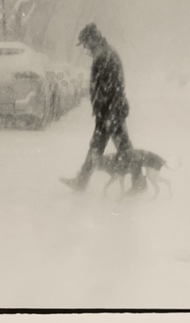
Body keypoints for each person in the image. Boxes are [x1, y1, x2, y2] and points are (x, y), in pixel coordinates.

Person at [60, 23, 147, 195]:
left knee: (116, 148)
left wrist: (110, 113)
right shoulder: (104, 54)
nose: (86, 48)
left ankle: (137, 182)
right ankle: (83, 180)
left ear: (93, 39)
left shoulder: (106, 56)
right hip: (108, 112)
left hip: (110, 112)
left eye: (86, 43)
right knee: (106, 147)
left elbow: (115, 87)